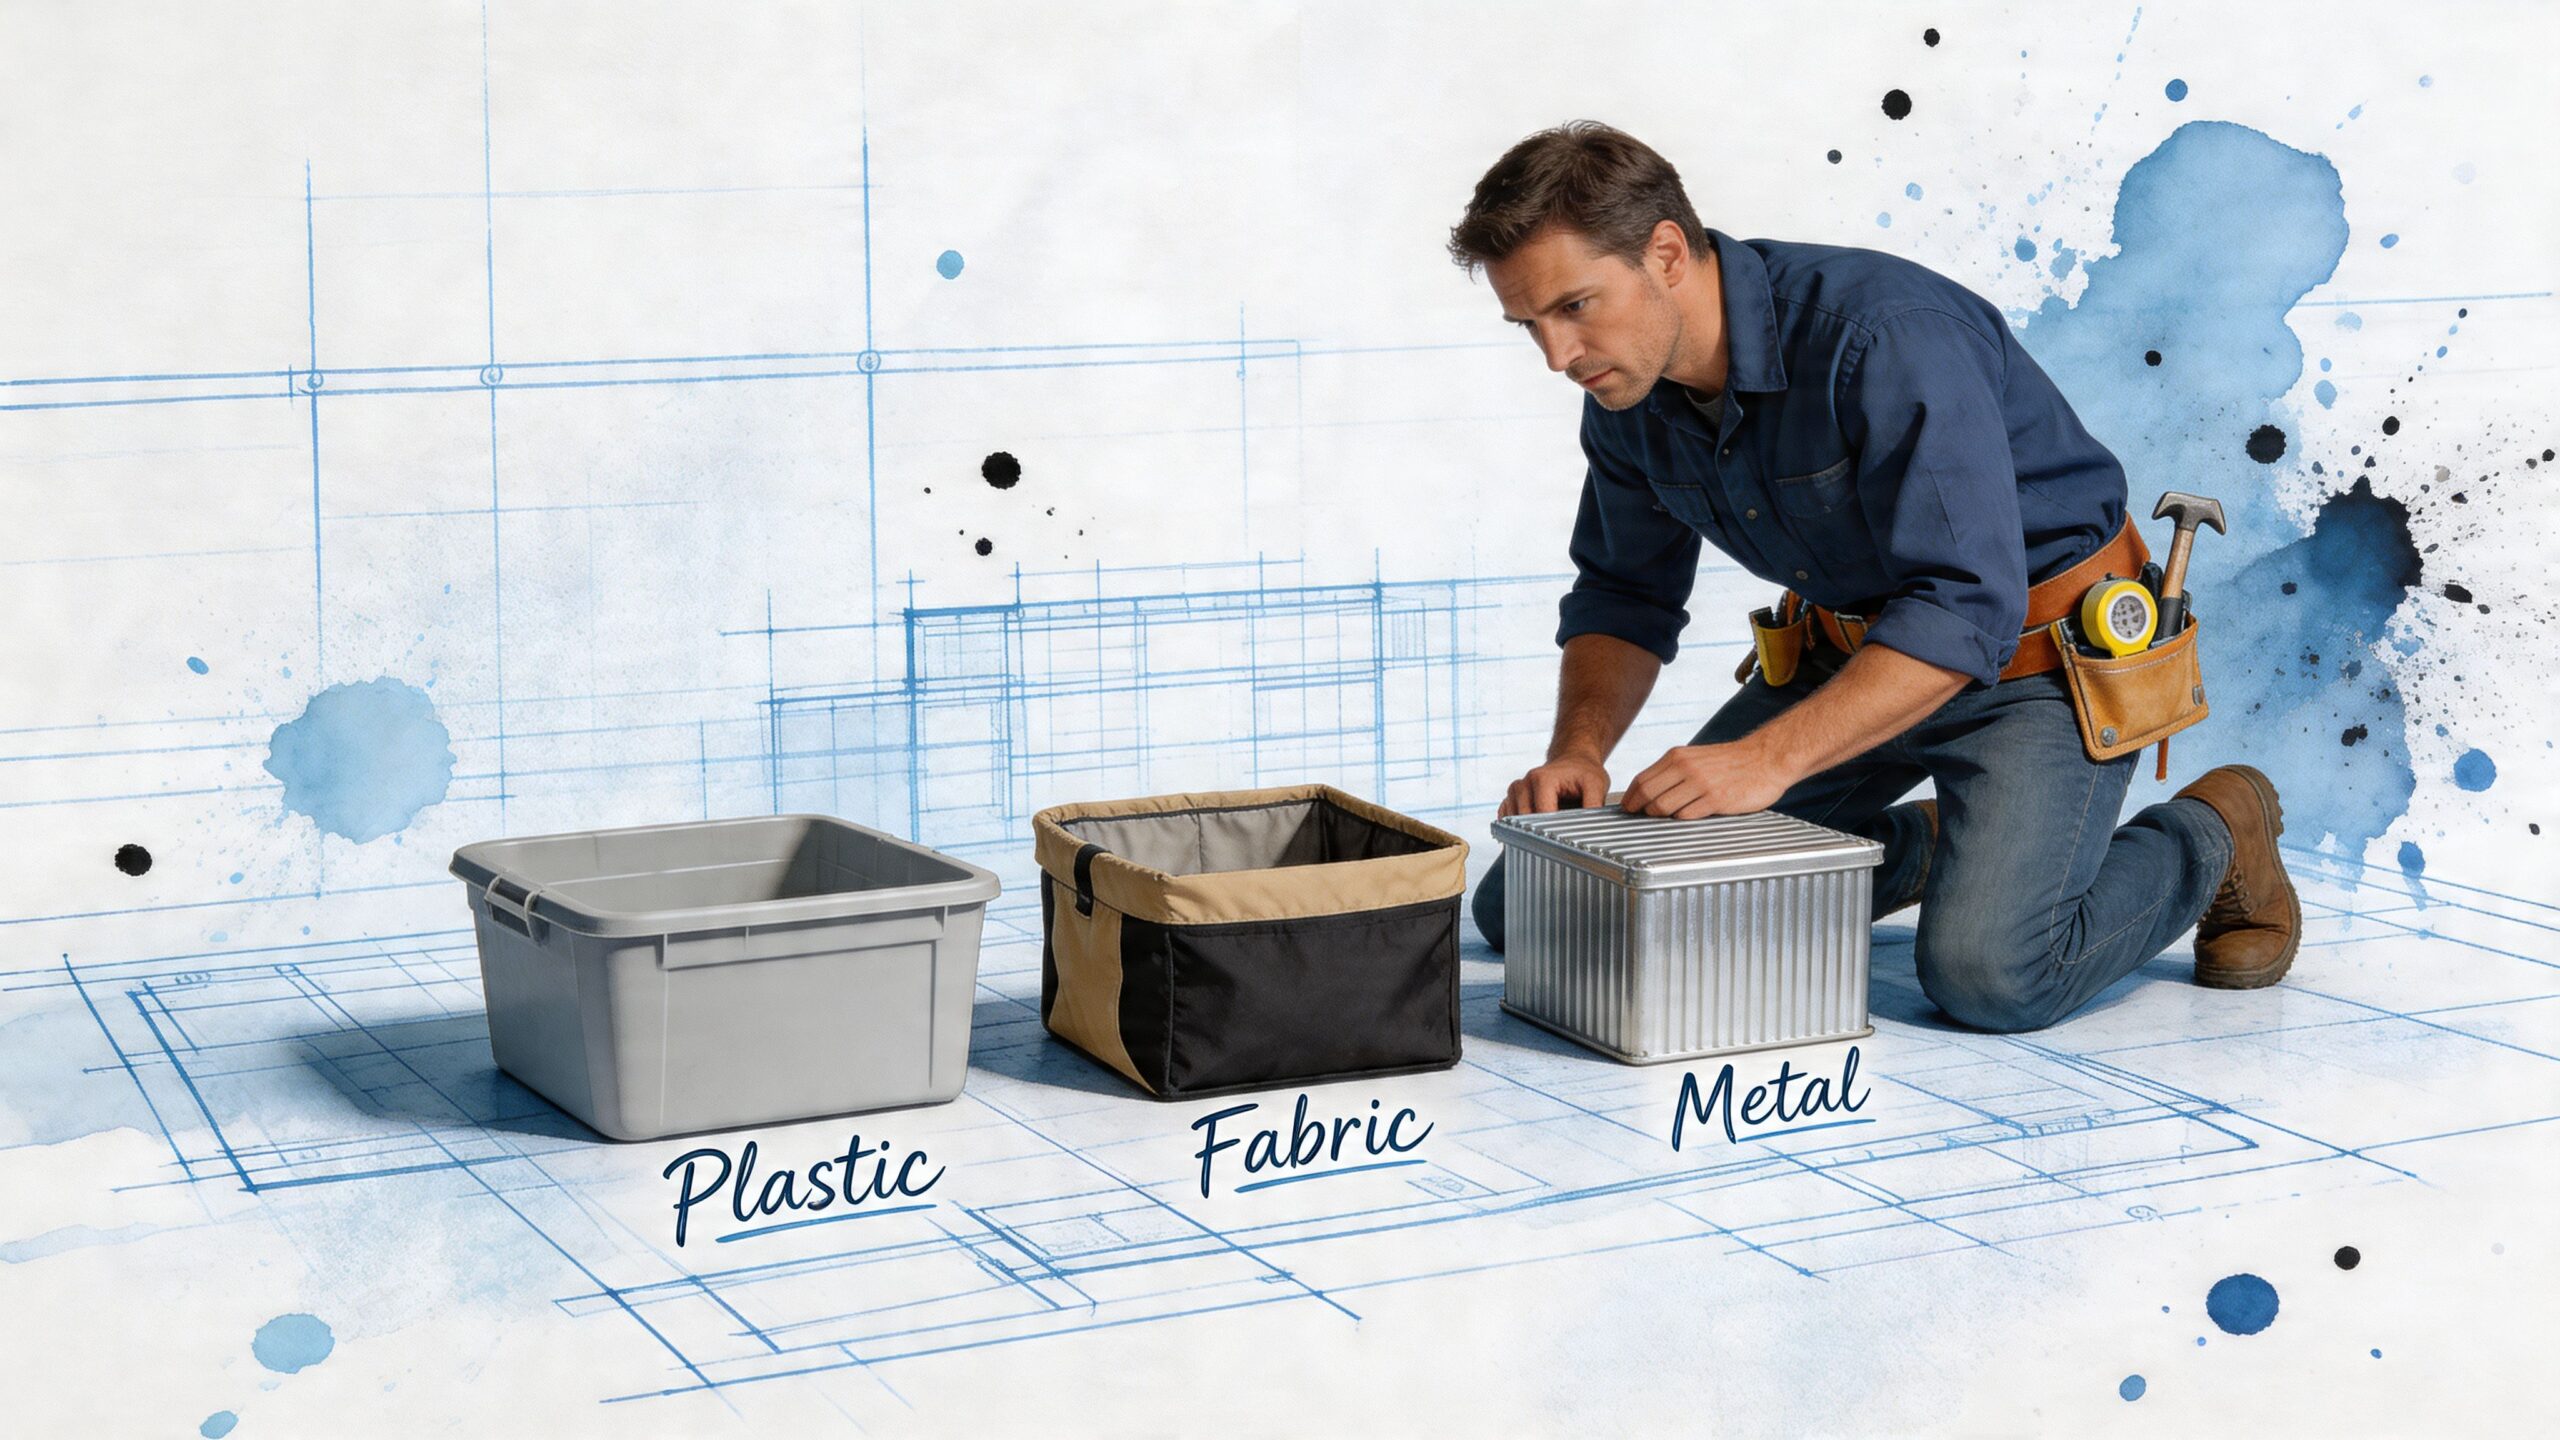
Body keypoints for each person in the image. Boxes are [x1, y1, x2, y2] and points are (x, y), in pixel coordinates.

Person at [1450, 121, 2299, 1032]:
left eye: (1574, 306)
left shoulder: (1885, 336)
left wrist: (1765, 761)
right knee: (1537, 909)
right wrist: (1581, 753)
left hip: (2040, 672)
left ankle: (2217, 827)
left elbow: (1965, 607)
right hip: (1850, 665)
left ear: (1664, 253)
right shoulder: (1625, 389)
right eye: (1529, 324)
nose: (1556, 355)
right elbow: (1625, 592)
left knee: (1991, 975)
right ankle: (1934, 844)